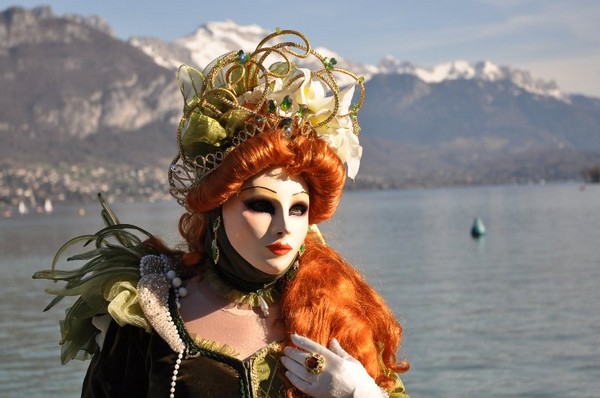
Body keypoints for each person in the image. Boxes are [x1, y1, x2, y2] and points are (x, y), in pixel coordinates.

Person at [35, 29, 409, 397]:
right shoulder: (150, 312)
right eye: (261, 205)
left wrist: (362, 394)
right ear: (216, 209)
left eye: (298, 209)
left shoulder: (339, 311)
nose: (284, 227)